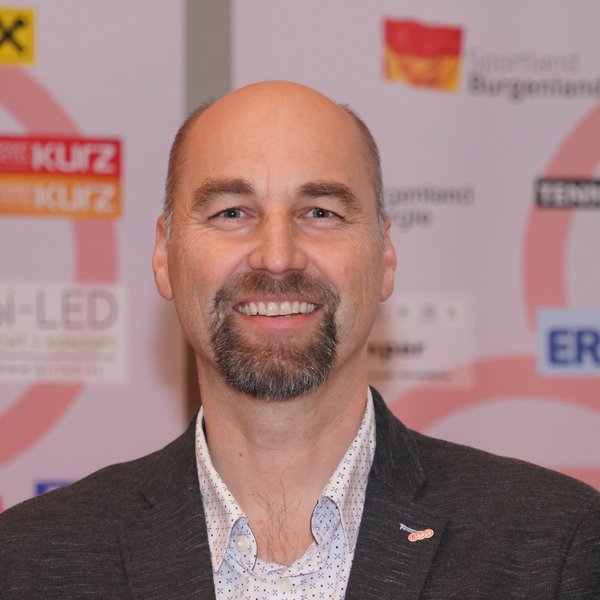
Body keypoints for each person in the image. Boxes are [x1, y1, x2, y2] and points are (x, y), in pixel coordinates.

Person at [0, 81, 598, 599]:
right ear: (163, 255)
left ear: (385, 256)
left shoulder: (555, 546)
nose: (278, 255)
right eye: (232, 212)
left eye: (320, 212)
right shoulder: (28, 560)